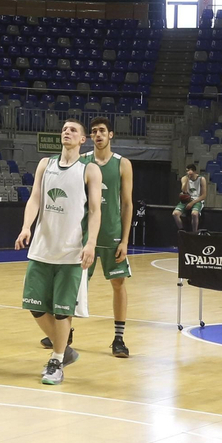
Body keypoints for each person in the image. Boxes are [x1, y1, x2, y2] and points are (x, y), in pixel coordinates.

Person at [15, 119, 101, 386]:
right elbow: (35, 198)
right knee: (34, 306)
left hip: (71, 252)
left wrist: (91, 243)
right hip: (42, 248)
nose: (67, 132)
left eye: (73, 130)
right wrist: (26, 226)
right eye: (64, 129)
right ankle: (64, 349)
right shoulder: (45, 164)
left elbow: (96, 210)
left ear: (82, 140)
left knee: (63, 311)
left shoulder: (90, 170)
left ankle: (57, 359)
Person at [80, 116, 135, 358]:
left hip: (112, 234)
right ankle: (64, 331)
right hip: (85, 235)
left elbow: (126, 203)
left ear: (111, 134)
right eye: (93, 132)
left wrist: (124, 240)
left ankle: (119, 339)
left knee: (118, 283)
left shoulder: (122, 164)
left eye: (102, 131)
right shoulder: (82, 162)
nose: (98, 135)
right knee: (75, 283)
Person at [173, 163, 207, 234]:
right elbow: (184, 191)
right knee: (175, 214)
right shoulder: (184, 178)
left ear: (194, 171)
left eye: (189, 171)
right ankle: (182, 230)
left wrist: (192, 203)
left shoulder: (201, 179)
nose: (188, 173)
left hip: (197, 200)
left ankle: (194, 232)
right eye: (187, 171)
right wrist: (187, 180)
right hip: (187, 199)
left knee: (194, 214)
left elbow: (203, 195)